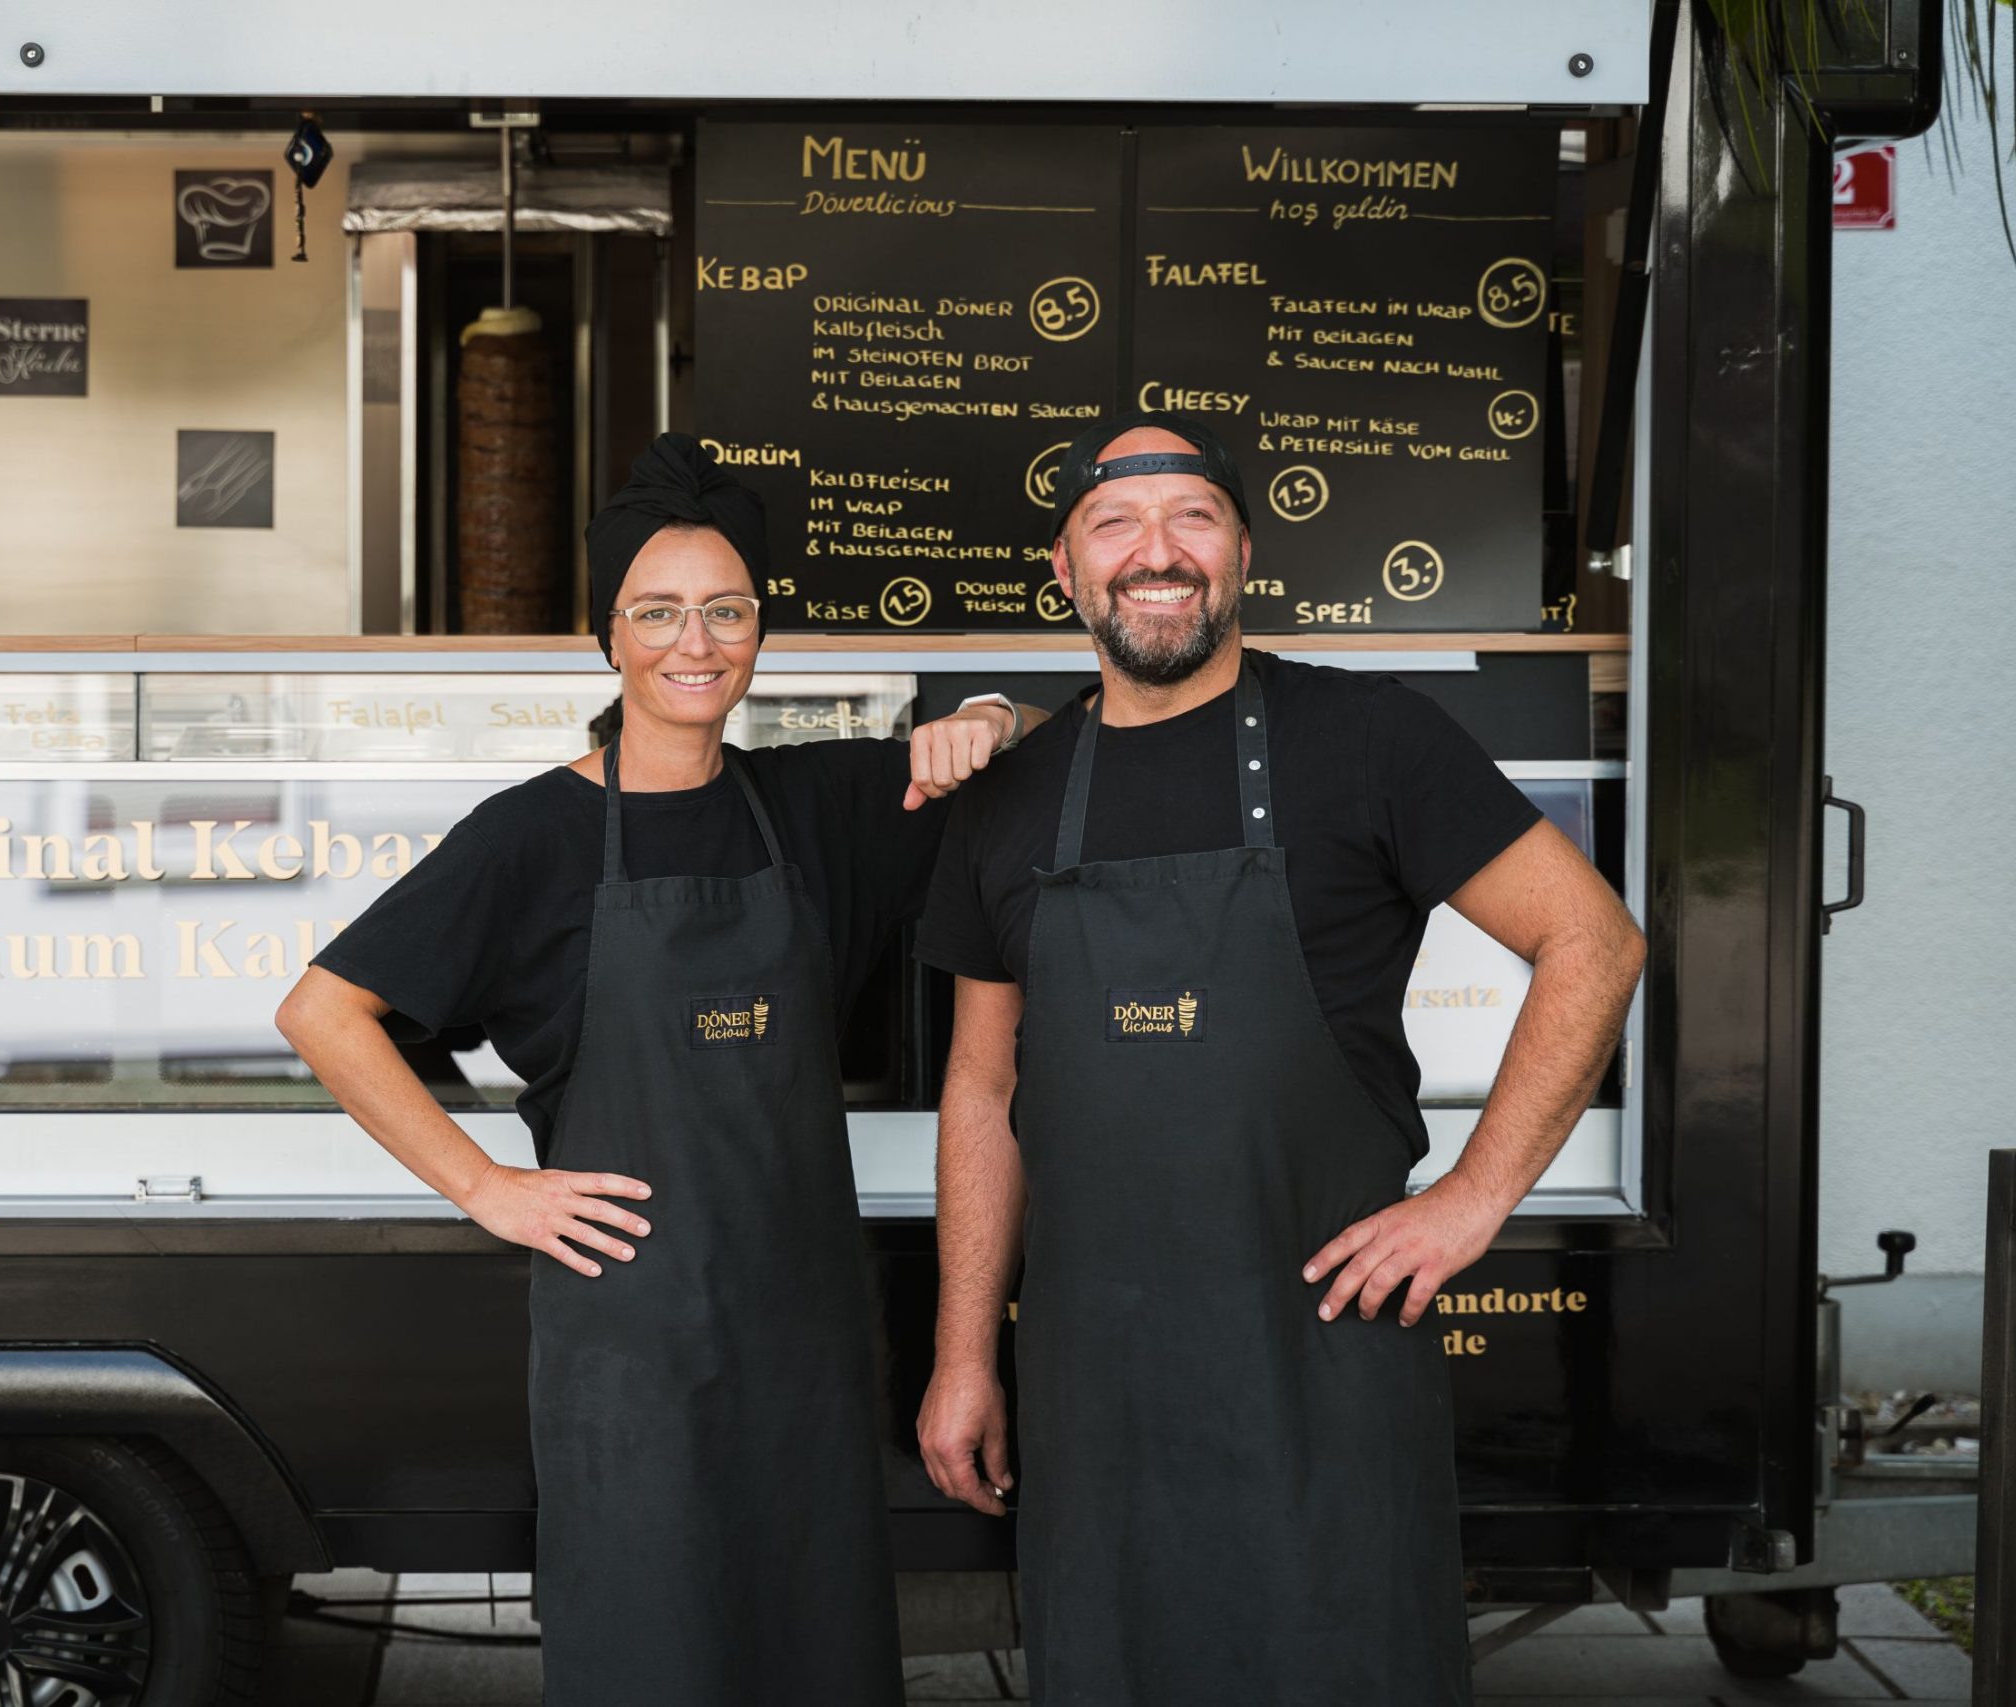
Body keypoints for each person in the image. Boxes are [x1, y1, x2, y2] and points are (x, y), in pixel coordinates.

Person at [276, 433, 1039, 1707]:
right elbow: (323, 1012)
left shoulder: (822, 804)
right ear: (610, 636)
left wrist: (990, 717)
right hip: (629, 1356)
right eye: (659, 611)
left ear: (759, 632)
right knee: (654, 1656)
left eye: (726, 610)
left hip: (802, 1339)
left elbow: (1050, 755)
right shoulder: (530, 835)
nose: (697, 641)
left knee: (816, 1656)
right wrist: (487, 1188)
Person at [911, 410, 1646, 1704]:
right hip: (1097, 1384)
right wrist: (964, 1352)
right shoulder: (1012, 793)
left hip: (1324, 1364)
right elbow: (982, 1087)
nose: (1157, 551)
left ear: (1243, 552)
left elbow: (1594, 941)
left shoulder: (1369, 739)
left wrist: (1472, 1197)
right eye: (1115, 523)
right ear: (1066, 570)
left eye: (1192, 517)